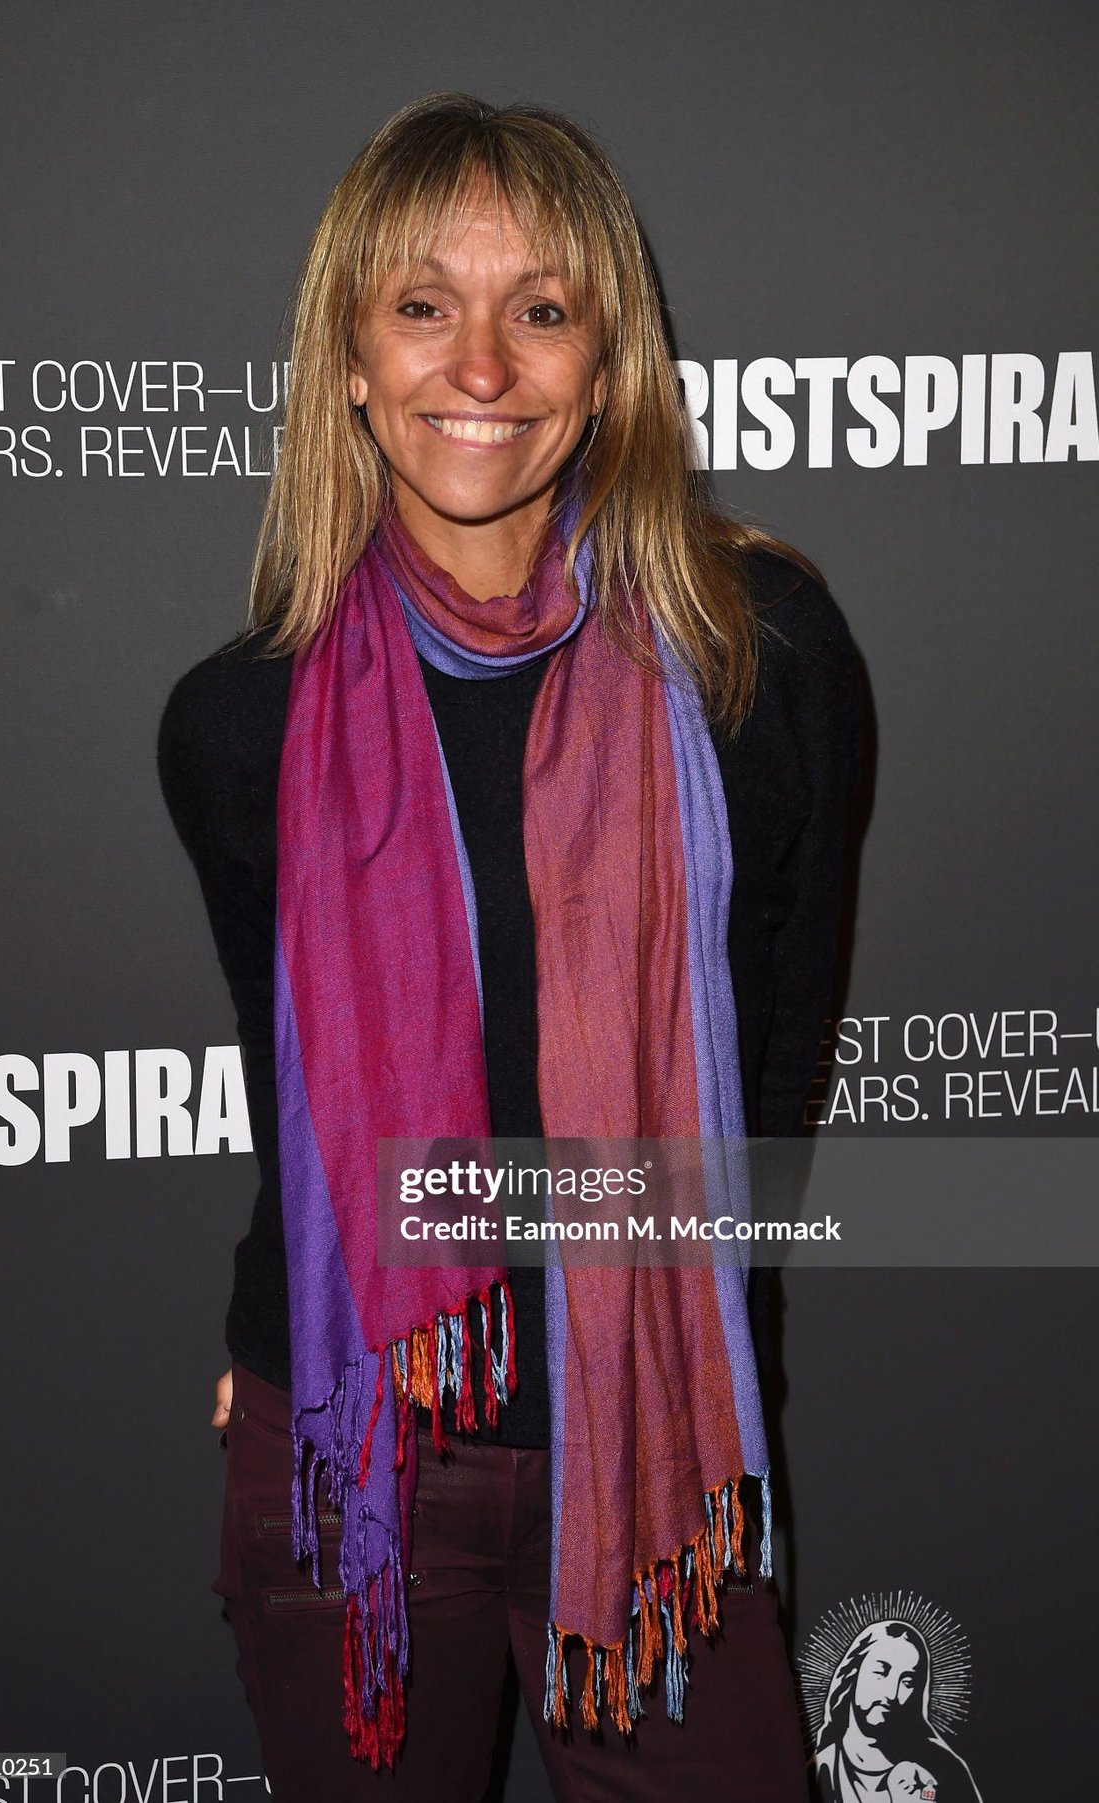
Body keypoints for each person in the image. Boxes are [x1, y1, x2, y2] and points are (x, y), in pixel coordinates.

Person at [157, 92, 863, 1803]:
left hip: (657, 1441)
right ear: (348, 359)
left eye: (541, 308)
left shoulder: (759, 655)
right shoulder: (241, 722)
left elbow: (775, 1073)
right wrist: (290, 1351)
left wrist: (690, 1372)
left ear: (608, 366)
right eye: (422, 305)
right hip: (354, 1448)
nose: (480, 364)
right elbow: (306, 1111)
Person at [814, 1621, 983, 1800]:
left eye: (907, 1681)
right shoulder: (821, 1769)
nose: (891, 1693)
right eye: (880, 1672)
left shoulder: (943, 1771)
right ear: (853, 1674)